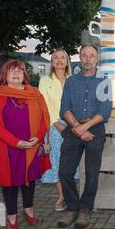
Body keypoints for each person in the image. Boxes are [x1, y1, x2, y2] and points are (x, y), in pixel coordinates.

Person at [0, 59, 51, 229]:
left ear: (24, 75)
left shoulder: (36, 94)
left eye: (19, 71)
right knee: (10, 183)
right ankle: (12, 218)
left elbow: (45, 119)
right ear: (5, 75)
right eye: (11, 71)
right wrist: (15, 142)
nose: (16, 74)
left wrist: (37, 137)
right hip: (8, 148)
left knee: (29, 180)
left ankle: (29, 211)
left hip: (30, 145)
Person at [57, 44, 112, 229]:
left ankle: (85, 209)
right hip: (73, 127)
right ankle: (72, 207)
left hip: (95, 127)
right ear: (80, 58)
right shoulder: (71, 81)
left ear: (97, 59)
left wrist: (85, 127)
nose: (88, 58)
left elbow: (104, 111)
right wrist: (77, 127)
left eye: (91, 55)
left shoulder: (104, 81)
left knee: (91, 172)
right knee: (64, 171)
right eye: (84, 55)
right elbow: (64, 108)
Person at [39, 49, 79, 211]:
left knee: (74, 160)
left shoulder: (74, 80)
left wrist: (75, 123)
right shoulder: (45, 80)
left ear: (68, 61)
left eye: (63, 57)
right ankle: (62, 198)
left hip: (75, 124)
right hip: (55, 126)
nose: (59, 60)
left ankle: (75, 196)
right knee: (57, 161)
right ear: (52, 62)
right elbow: (44, 105)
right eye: (56, 57)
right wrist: (56, 123)